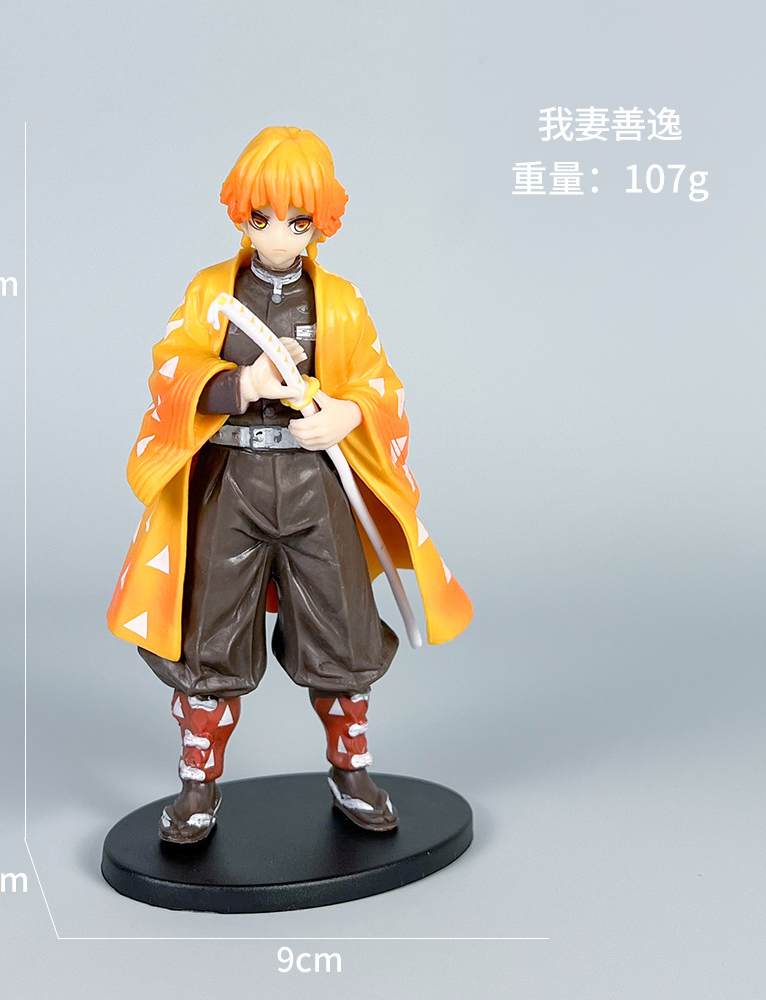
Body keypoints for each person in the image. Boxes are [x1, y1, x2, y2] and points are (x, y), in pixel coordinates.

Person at [107, 127, 472, 843]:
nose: (278, 236)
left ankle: (350, 769)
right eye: (261, 218)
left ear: (321, 222)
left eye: (297, 221)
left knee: (342, 628)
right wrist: (237, 384)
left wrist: (346, 413)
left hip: (314, 485)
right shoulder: (211, 293)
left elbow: (378, 380)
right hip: (231, 485)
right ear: (240, 214)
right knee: (207, 637)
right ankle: (197, 784)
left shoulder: (340, 301)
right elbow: (169, 369)